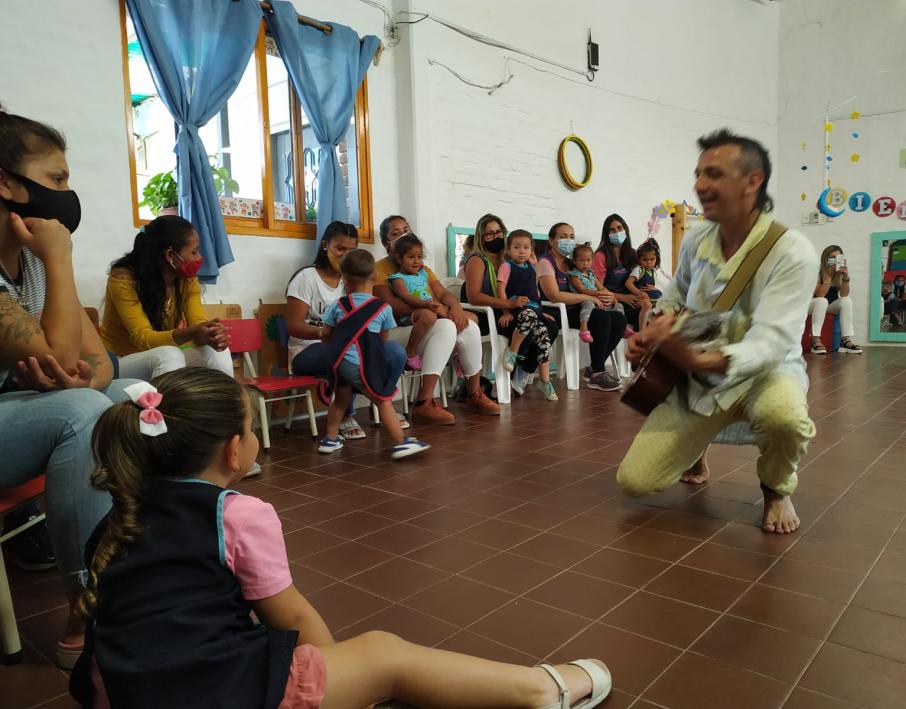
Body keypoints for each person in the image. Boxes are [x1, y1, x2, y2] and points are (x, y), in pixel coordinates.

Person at [68, 367, 612, 709]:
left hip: (122, 686)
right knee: (384, 654)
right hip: (203, 688)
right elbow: (294, 619)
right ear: (235, 452)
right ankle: (543, 688)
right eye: (253, 430)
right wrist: (339, 681)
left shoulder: (117, 518)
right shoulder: (237, 514)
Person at [617, 128, 819, 535]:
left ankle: (776, 488)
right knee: (635, 482)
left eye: (714, 174)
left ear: (752, 181)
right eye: (698, 174)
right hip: (701, 375)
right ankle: (696, 447)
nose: (700, 185)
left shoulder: (791, 251)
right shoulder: (696, 241)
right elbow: (675, 296)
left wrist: (696, 358)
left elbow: (772, 341)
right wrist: (654, 332)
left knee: (784, 417)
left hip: (767, 372)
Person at [0, 106, 139, 668]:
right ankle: (89, 610)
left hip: (16, 409)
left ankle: (136, 565)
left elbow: (94, 357)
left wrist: (93, 373)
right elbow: (60, 356)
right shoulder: (46, 255)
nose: (66, 194)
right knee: (83, 411)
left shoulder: (31, 259)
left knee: (128, 395)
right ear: (6, 183)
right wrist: (60, 256)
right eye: (55, 179)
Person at [374, 214, 499, 422]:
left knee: (469, 326)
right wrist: (434, 309)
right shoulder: (380, 269)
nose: (403, 235)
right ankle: (424, 402)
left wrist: (455, 308)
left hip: (429, 322)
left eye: (406, 230)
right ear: (386, 243)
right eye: (395, 233)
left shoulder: (422, 268)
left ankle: (474, 393)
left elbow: (443, 293)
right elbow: (391, 306)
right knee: (446, 327)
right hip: (397, 331)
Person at [308, 249, 429, 459]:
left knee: (340, 399)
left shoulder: (338, 305)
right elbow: (383, 340)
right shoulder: (382, 308)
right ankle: (401, 443)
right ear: (374, 275)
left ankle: (330, 439)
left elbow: (326, 334)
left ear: (344, 279)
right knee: (383, 400)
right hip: (361, 364)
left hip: (338, 362)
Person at [285, 220, 385, 440]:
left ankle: (383, 406)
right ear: (325, 246)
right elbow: (293, 326)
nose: (345, 256)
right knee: (343, 355)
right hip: (307, 350)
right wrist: (324, 333)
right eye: (340, 248)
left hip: (343, 346)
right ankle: (347, 414)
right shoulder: (306, 278)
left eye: (351, 251)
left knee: (390, 352)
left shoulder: (352, 282)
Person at [101, 215, 235, 379]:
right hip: (119, 362)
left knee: (216, 351)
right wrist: (192, 333)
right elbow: (143, 339)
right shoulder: (124, 279)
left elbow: (197, 321)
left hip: (163, 357)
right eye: (194, 252)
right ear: (171, 255)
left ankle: (227, 403)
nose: (199, 258)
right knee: (169, 355)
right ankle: (169, 405)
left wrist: (208, 334)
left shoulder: (186, 279)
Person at [463, 213, 560, 397]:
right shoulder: (477, 260)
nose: (495, 236)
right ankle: (506, 375)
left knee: (551, 326)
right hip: (492, 313)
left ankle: (523, 372)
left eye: (498, 232)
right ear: (481, 237)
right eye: (489, 233)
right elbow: (474, 296)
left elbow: (530, 288)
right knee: (530, 328)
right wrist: (507, 304)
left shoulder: (510, 259)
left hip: (515, 309)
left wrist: (538, 311)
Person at [539, 222, 627, 392]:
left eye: (571, 237)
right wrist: (589, 297)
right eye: (563, 237)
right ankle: (598, 373)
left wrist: (608, 295)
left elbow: (594, 284)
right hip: (557, 312)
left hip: (577, 309)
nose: (568, 240)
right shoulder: (545, 262)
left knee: (618, 319)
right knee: (601, 317)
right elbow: (554, 296)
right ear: (551, 240)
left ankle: (595, 368)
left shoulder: (572, 263)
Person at [497, 229, 557, 401]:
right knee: (529, 315)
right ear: (509, 249)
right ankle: (512, 351)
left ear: (532, 250)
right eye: (517, 247)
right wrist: (506, 311)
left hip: (532, 310)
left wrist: (542, 312)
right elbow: (500, 290)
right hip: (517, 310)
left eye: (526, 247)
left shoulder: (532, 268)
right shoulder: (506, 266)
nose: (522, 251)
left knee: (544, 336)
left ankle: (544, 381)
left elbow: (535, 292)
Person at [388, 234, 449, 371]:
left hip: (427, 308)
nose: (416, 261)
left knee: (454, 318)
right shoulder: (398, 279)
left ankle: (449, 354)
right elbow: (405, 296)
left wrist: (440, 307)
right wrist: (425, 304)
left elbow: (431, 294)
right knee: (429, 315)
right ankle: (410, 350)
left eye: (419, 257)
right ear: (399, 259)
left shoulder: (423, 274)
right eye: (411, 257)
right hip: (411, 315)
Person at [592, 214, 645, 332]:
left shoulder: (634, 254)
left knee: (660, 311)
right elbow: (597, 289)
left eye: (619, 228)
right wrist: (623, 297)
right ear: (606, 234)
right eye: (612, 230)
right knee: (645, 315)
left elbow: (642, 277)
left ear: (625, 229)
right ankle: (639, 344)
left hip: (632, 299)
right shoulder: (600, 256)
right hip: (613, 303)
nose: (617, 232)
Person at [808, 245, 861, 354]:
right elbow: (820, 294)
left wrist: (846, 277)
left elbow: (844, 294)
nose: (836, 260)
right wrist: (828, 275)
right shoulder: (816, 272)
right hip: (812, 304)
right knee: (822, 301)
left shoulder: (839, 274)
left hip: (829, 305)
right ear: (826, 259)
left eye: (838, 257)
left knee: (847, 301)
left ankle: (845, 340)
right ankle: (815, 340)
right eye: (833, 257)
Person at [567, 243, 623, 344]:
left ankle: (622, 328)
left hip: (596, 297)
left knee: (618, 305)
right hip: (583, 299)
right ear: (574, 261)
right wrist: (598, 294)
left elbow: (600, 286)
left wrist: (610, 295)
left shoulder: (591, 273)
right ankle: (583, 328)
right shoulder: (574, 275)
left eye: (588, 260)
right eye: (581, 261)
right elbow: (581, 290)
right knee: (588, 304)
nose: (585, 264)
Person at [627, 238, 664, 303]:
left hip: (652, 300)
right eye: (645, 260)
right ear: (639, 259)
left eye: (652, 259)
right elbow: (628, 283)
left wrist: (656, 289)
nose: (649, 262)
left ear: (656, 258)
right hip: (641, 300)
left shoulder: (653, 271)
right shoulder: (638, 270)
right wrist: (639, 293)